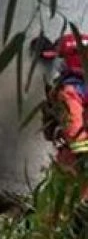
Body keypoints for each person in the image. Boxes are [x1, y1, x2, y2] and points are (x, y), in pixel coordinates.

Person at [39, 33, 88, 209]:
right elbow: (75, 131)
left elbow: (76, 132)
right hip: (77, 162)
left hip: (75, 162)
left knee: (61, 205)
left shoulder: (72, 90)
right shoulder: (75, 89)